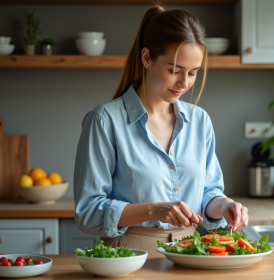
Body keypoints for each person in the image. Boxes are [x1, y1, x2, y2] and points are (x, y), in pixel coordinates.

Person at [73, 4, 249, 253]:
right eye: (174, 71)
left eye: (193, 73)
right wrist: (155, 209)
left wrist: (225, 205)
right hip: (128, 255)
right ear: (146, 58)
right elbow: (88, 212)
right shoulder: (104, 120)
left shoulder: (200, 121)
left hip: (191, 252)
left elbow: (208, 192)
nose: (184, 83)